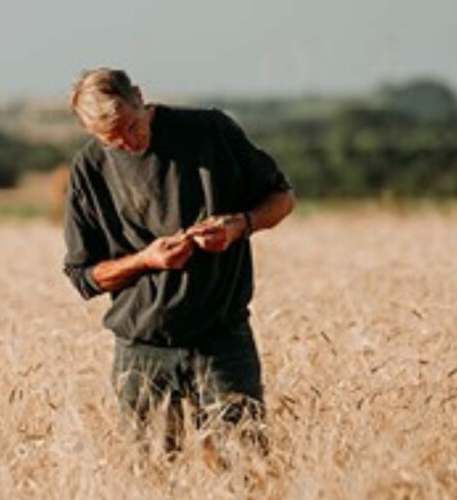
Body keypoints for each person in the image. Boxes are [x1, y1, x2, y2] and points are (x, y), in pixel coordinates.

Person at [61, 68, 296, 455]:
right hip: (141, 349)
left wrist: (240, 225)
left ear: (140, 96)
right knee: (151, 479)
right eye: (112, 140)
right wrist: (146, 261)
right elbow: (84, 277)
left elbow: (282, 198)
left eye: (133, 127)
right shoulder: (89, 168)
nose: (129, 145)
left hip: (223, 340)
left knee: (248, 469)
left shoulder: (210, 132)